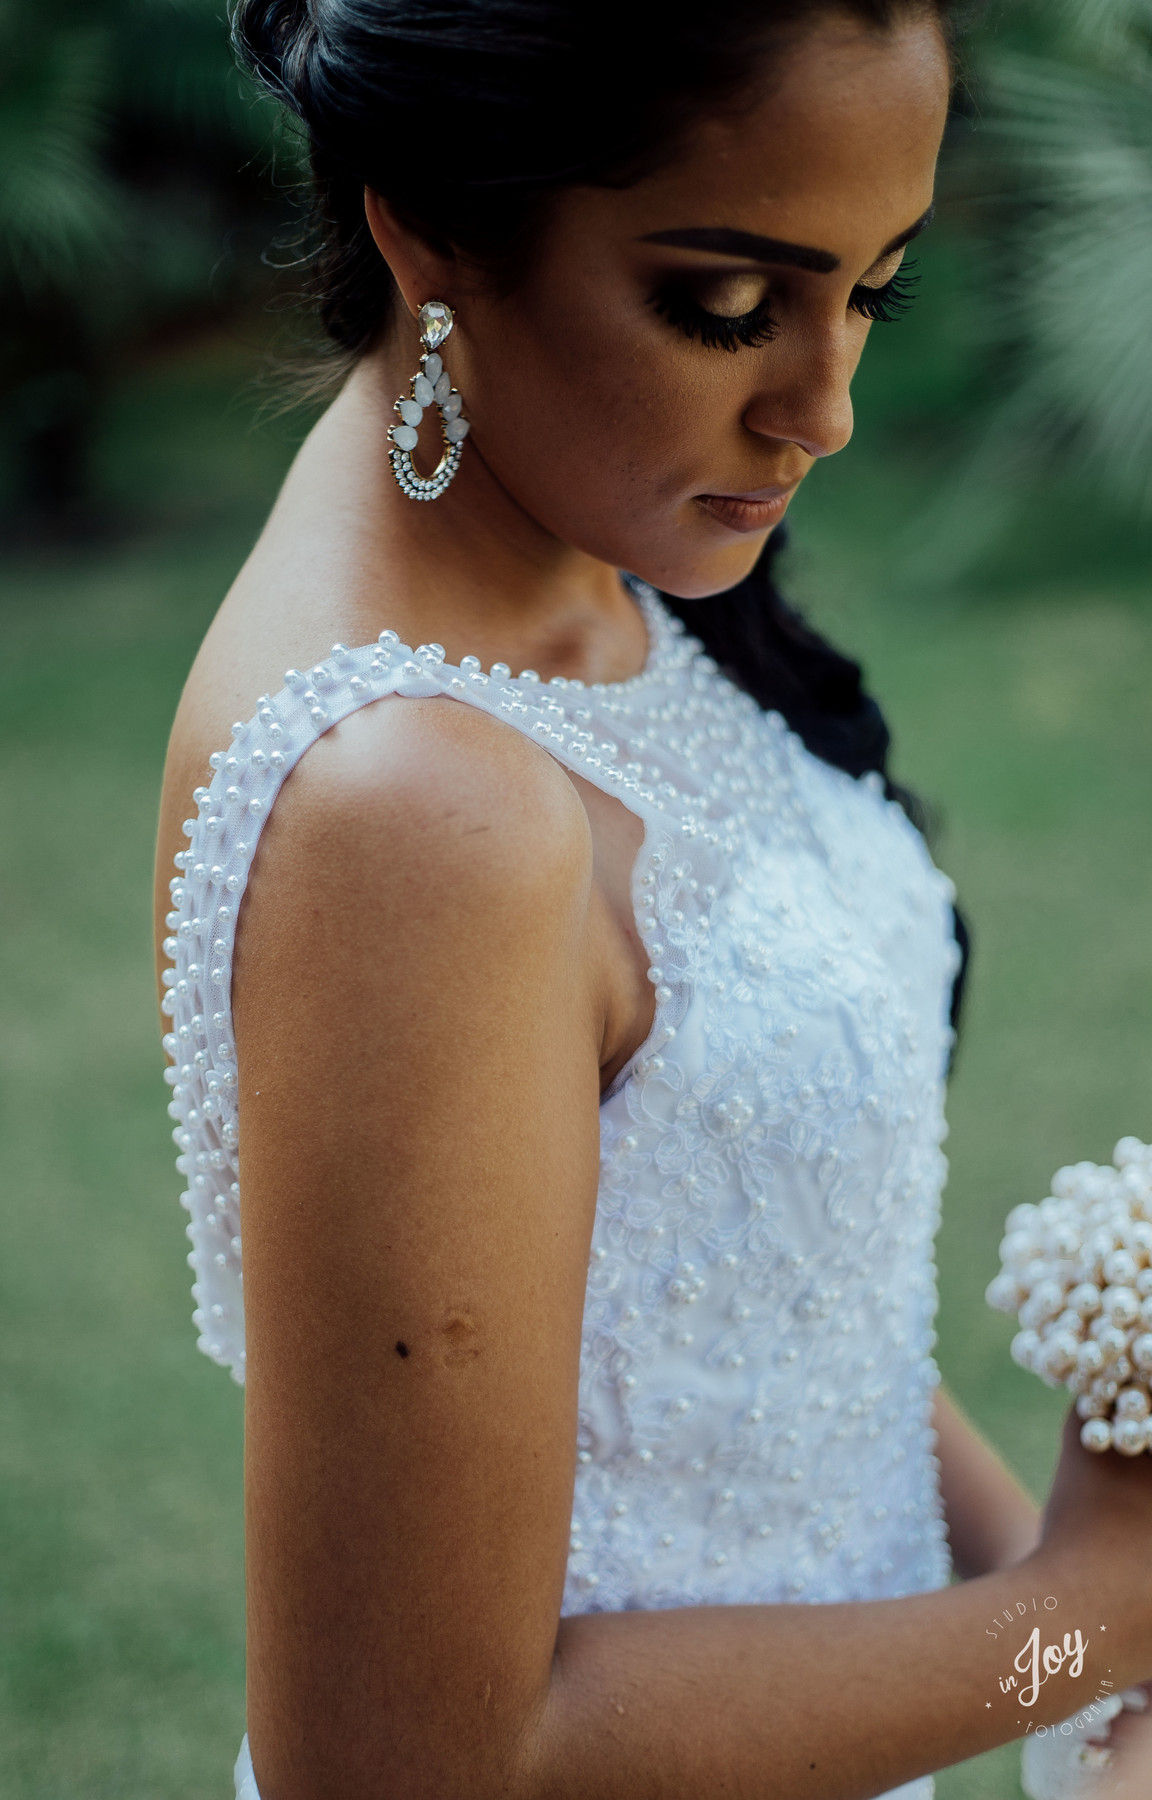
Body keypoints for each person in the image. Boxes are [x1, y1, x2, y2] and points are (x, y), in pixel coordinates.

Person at [152, 3, 1152, 1796]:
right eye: (726, 305)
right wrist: (1091, 1617)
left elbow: (768, 1326)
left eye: (875, 291)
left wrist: (1080, 1639)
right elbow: (411, 1766)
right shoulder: (413, 807)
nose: (827, 406)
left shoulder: (594, 546)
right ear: (427, 220)